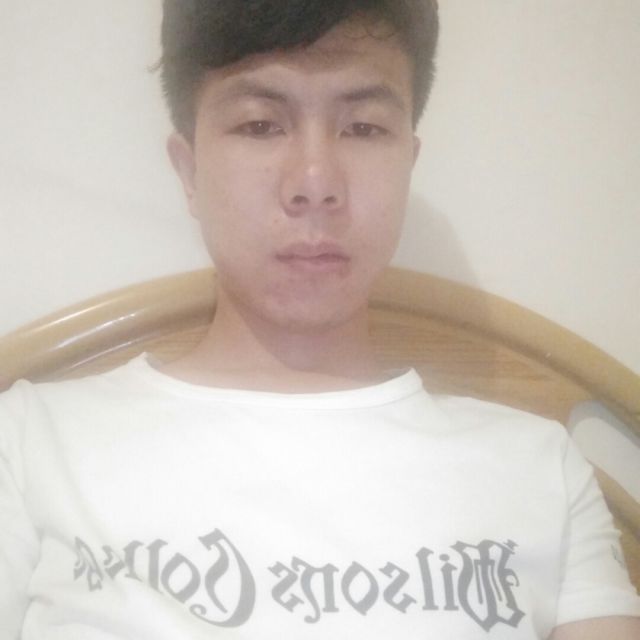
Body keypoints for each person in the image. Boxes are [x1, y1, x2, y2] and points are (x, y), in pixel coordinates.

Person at [1, 1, 639, 638]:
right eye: (259, 125)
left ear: (408, 163)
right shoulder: (32, 445)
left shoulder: (540, 469)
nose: (314, 181)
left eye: (363, 128)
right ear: (189, 172)